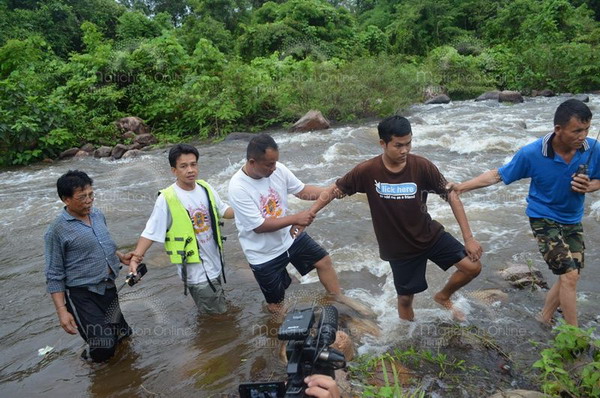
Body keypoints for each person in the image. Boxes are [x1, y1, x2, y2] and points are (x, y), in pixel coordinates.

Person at [310, 116, 483, 321]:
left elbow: (451, 195)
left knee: (472, 267)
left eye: (408, 143)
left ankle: (443, 296)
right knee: (405, 300)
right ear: (383, 143)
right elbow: (335, 190)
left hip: (429, 235)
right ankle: (408, 339)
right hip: (399, 249)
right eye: (398, 145)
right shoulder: (367, 170)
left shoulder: (422, 166)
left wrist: (469, 237)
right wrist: (310, 213)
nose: (405, 151)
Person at [447, 99, 599, 326]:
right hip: (543, 217)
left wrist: (591, 186)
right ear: (558, 129)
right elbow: (498, 175)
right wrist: (461, 187)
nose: (583, 135)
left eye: (586, 129)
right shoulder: (532, 153)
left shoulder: (592, 148)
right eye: (577, 130)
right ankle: (574, 337)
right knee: (569, 276)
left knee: (571, 274)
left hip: (572, 219)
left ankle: (545, 317)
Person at [228, 133, 342, 313]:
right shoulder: (238, 187)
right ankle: (279, 336)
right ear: (252, 162)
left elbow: (302, 191)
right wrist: (296, 218)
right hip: (263, 253)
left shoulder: (278, 169)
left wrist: (330, 191)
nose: (274, 168)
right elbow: (259, 226)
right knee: (276, 304)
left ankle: (339, 300)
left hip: (289, 237)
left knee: (323, 261)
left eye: (275, 162)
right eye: (269, 164)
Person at [129, 144, 234, 314]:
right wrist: (136, 258)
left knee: (215, 314)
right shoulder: (167, 198)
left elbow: (223, 210)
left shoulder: (205, 187)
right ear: (174, 170)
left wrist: (247, 209)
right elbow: (151, 231)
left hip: (214, 264)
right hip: (197, 272)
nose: (190, 170)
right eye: (183, 166)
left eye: (193, 164)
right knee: (219, 318)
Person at [45, 170, 133, 362]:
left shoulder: (98, 214)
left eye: (91, 195)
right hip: (82, 295)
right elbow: (54, 274)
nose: (88, 201)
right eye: (82, 197)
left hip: (108, 288)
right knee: (104, 345)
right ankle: (91, 365)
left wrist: (120, 256)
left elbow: (101, 244)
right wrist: (62, 311)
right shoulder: (57, 230)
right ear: (66, 200)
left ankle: (124, 373)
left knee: (123, 335)